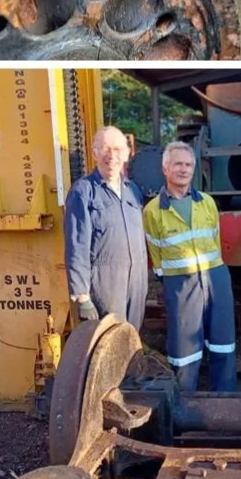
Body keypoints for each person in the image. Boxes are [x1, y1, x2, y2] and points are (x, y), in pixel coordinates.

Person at [142, 141, 236, 391]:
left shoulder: (206, 202)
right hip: (180, 283)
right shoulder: (152, 211)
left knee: (222, 344)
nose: (183, 170)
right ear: (165, 169)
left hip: (216, 278)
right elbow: (156, 253)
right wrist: (174, 281)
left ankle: (225, 405)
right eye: (178, 164)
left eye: (188, 165)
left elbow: (215, 239)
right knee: (185, 351)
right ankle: (185, 406)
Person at [63, 126, 148, 330]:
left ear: (127, 154)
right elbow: (77, 246)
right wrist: (83, 297)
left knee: (132, 337)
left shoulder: (132, 190)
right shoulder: (83, 192)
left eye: (118, 149)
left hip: (137, 280)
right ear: (94, 154)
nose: (112, 156)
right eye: (105, 149)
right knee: (109, 344)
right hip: (106, 282)